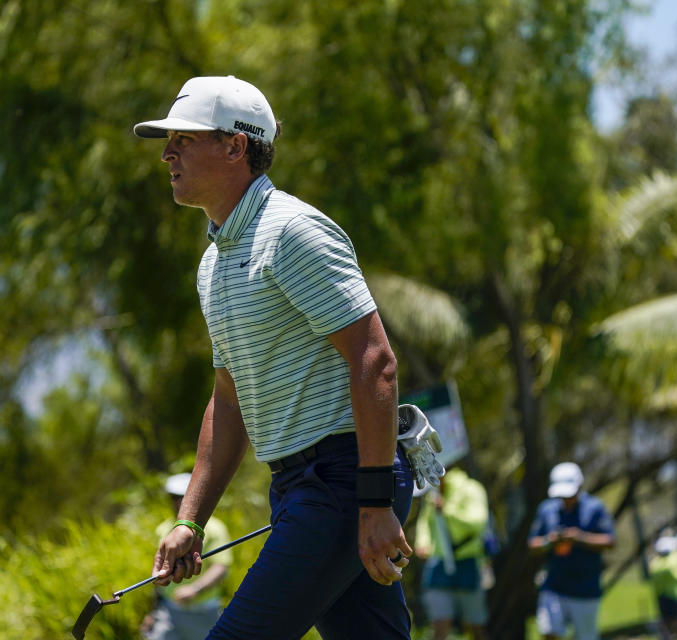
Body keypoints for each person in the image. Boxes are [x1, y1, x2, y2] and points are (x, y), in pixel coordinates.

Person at [133, 75, 442, 639]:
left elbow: (375, 361)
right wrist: (190, 521)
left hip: (346, 482)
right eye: (167, 140)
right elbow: (228, 401)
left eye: (185, 137)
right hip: (302, 487)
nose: (167, 153)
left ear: (236, 146)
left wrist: (373, 504)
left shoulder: (291, 231)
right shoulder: (215, 263)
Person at [528, 461, 615, 640]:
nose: (566, 498)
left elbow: (609, 541)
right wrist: (549, 541)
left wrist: (579, 538)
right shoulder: (547, 509)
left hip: (585, 589)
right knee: (549, 633)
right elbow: (532, 544)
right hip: (554, 586)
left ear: (580, 486)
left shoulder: (595, 508)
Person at [142, 472, 233, 640]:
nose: (177, 502)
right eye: (173, 497)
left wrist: (195, 590)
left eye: (181, 497)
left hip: (203, 611)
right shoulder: (163, 529)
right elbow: (159, 574)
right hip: (169, 610)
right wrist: (153, 611)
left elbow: (221, 567)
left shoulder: (215, 528)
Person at [414, 465, 491, 640]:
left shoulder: (471, 488)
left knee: (476, 626)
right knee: (439, 626)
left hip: (468, 562)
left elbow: (478, 523)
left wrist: (447, 510)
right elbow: (426, 520)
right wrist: (422, 542)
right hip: (438, 564)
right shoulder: (433, 489)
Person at [650, 534, 677, 640]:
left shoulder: (658, 562)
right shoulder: (670, 561)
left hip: (669, 596)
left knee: (672, 622)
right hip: (671, 596)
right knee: (671, 623)